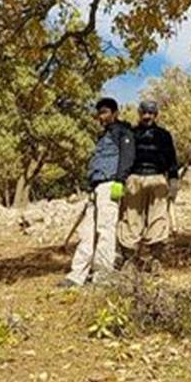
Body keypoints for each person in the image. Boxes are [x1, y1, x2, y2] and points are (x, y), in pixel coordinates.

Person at [59, 97, 134, 288]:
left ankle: (103, 276)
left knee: (106, 231)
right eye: (99, 113)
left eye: (105, 112)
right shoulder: (102, 136)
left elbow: (127, 157)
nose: (102, 116)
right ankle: (77, 275)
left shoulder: (123, 132)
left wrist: (120, 180)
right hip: (96, 187)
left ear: (115, 113)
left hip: (110, 185)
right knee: (87, 232)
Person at [118, 100, 180, 267]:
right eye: (144, 113)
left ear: (156, 114)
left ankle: (155, 261)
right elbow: (123, 158)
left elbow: (171, 159)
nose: (147, 116)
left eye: (150, 113)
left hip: (158, 179)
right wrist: (119, 180)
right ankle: (129, 260)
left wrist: (173, 179)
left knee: (158, 218)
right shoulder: (129, 134)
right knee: (130, 219)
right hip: (133, 179)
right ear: (139, 113)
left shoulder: (164, 135)